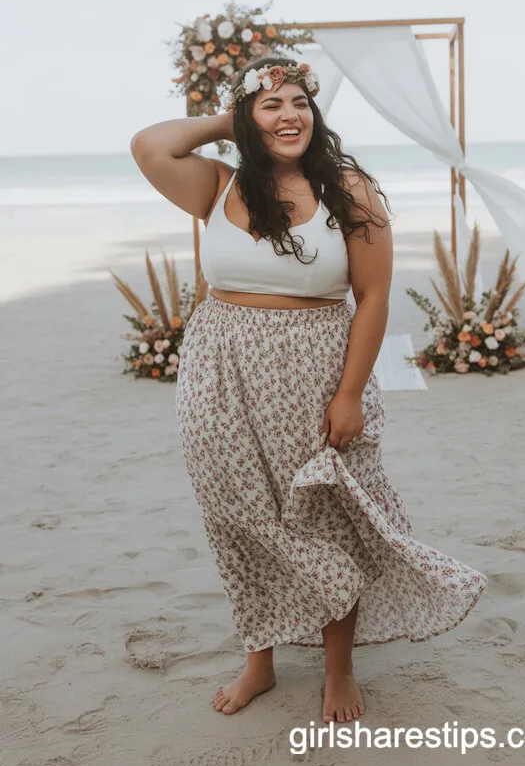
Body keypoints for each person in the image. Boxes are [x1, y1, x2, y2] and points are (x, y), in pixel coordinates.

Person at [130, 55, 487, 724]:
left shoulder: (347, 189)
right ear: (248, 120)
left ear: (316, 114)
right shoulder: (217, 185)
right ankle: (259, 660)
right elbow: (149, 145)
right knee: (237, 517)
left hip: (313, 366)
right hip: (219, 370)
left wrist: (349, 395)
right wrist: (234, 111)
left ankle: (338, 669)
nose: (289, 113)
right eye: (271, 105)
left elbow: (373, 296)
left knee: (321, 517)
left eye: (299, 101)